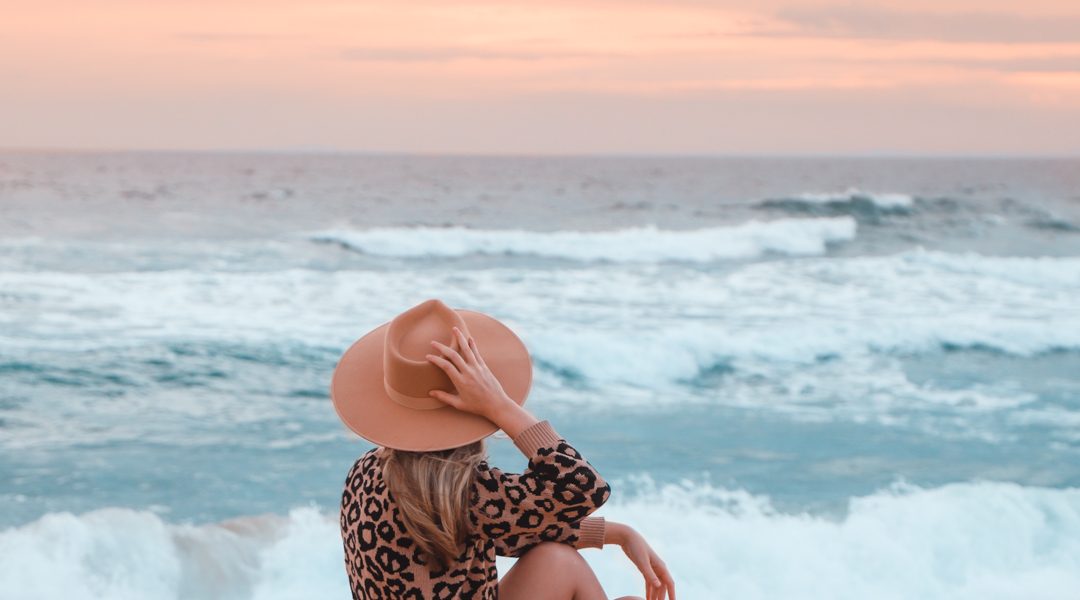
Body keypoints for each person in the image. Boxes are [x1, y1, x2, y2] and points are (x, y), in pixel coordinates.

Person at [332, 299, 676, 599]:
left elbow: (510, 529)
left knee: (556, 559)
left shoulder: (365, 470)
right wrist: (499, 406)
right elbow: (584, 487)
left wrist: (616, 533)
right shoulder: (469, 492)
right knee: (563, 563)